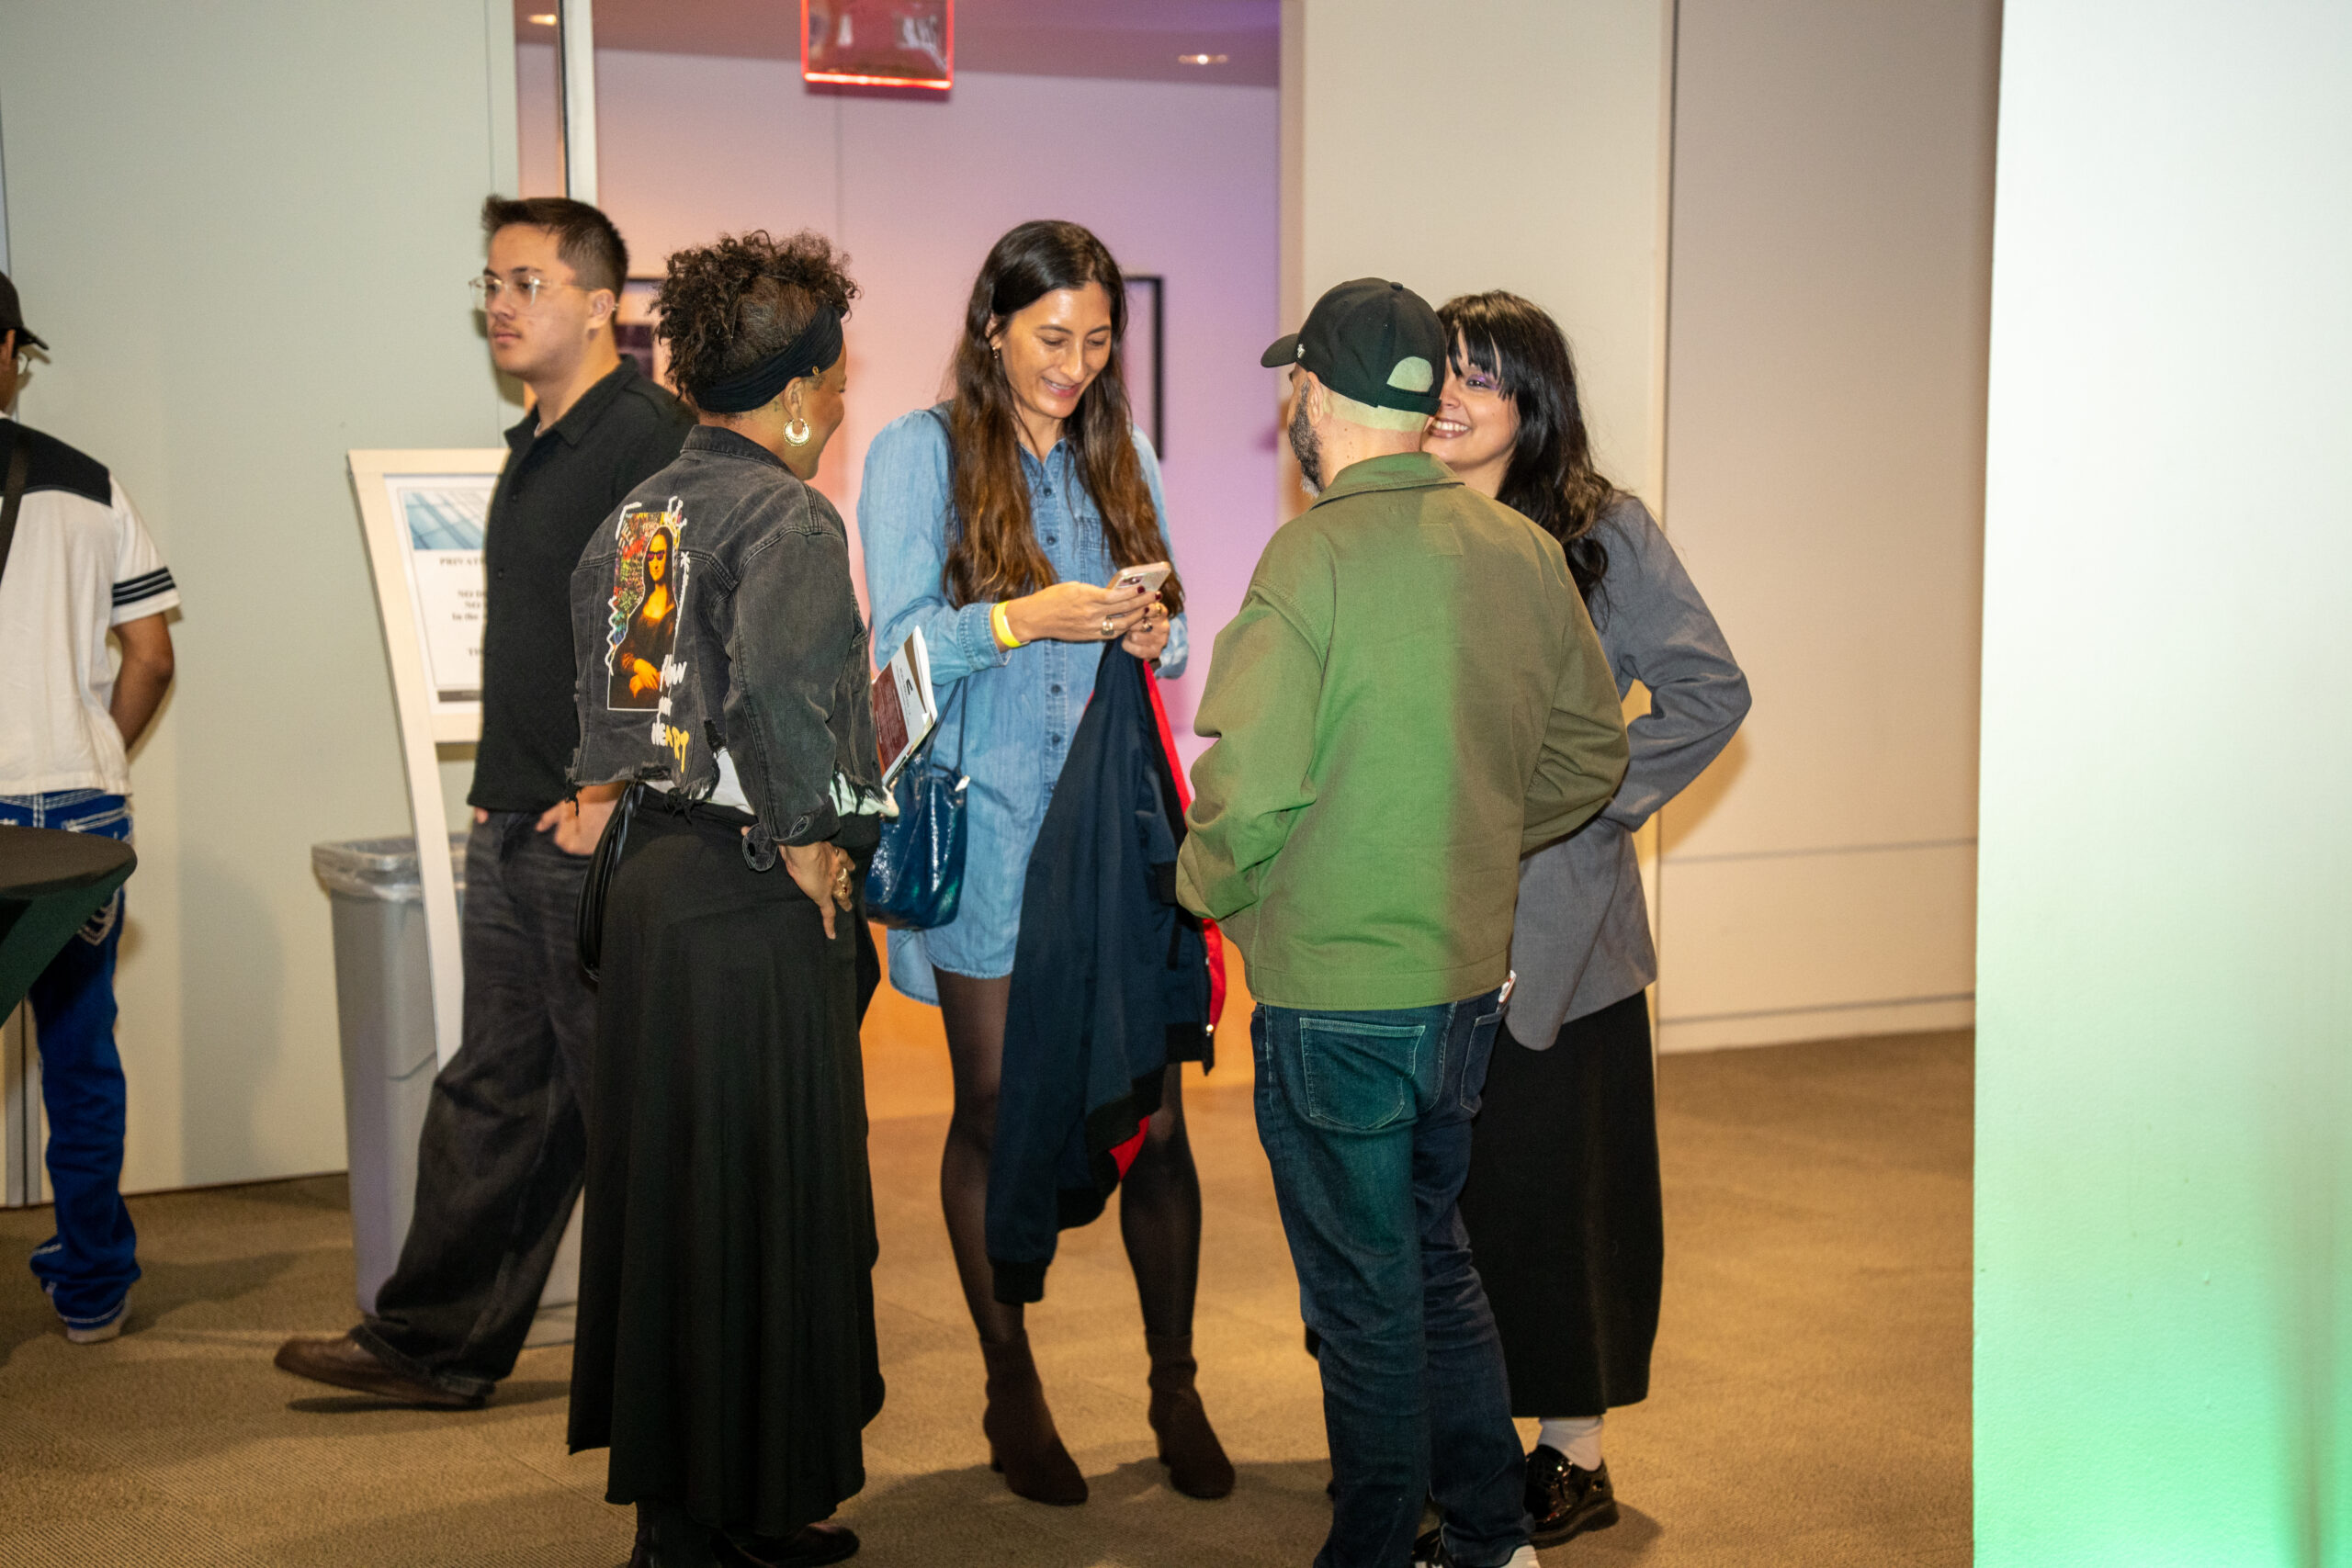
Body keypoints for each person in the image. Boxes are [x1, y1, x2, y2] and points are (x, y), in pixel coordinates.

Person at [1176, 278, 1630, 1568]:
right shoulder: (1520, 551)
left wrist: (1204, 889)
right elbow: (1590, 756)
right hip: (1462, 984)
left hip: (1335, 995)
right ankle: (1490, 1535)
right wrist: (1471, 835)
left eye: (1297, 383)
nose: (1292, 404)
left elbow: (1250, 789)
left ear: (1320, 396)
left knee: (1364, 1298)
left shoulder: (1309, 557)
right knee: (1433, 1263)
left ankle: (1374, 1548)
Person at [276, 196, 693, 1406]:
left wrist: (608, 784)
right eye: (492, 285)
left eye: (527, 283)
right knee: (499, 1091)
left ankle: (690, 1366)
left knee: (631, 1107)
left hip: (590, 828)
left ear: (602, 304)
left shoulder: (642, 438)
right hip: (517, 816)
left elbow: (657, 625)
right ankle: (433, 1343)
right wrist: (499, 787)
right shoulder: (541, 440)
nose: (501, 306)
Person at [859, 220, 1230, 1506]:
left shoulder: (1124, 452)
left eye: (1097, 341)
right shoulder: (917, 454)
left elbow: (1177, 642)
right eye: (1050, 338)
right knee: (993, 1104)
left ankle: (1175, 1382)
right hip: (990, 831)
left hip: (1117, 833)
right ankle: (1008, 1380)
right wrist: (1020, 619)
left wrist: (1156, 627)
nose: (1074, 366)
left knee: (1157, 1120)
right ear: (993, 328)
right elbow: (894, 673)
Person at [565, 228, 884, 1568]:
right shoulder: (791, 518)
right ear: (799, 390)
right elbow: (792, 710)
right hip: (753, 905)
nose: (842, 402)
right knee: (763, 1208)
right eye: (838, 378)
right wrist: (823, 840)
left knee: (683, 1211)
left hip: (654, 887)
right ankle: (722, 1519)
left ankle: (697, 1516)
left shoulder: (642, 509)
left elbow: (626, 713)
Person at [1425, 291, 1749, 1548]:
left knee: (1562, 1201)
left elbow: (1709, 690)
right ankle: (1458, 1441)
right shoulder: (1400, 518)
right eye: (1440, 370)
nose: (1452, 396)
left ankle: (1575, 1452)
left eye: (1481, 376)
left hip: (1565, 939)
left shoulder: (1602, 531)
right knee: (1448, 1203)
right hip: (1422, 921)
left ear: (1533, 400)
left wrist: (1586, 800)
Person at [0, 271, 177, 1346]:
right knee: (79, 1049)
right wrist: (97, 746)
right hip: (73, 812)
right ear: (9, 351)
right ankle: (94, 1283)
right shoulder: (86, 483)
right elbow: (149, 656)